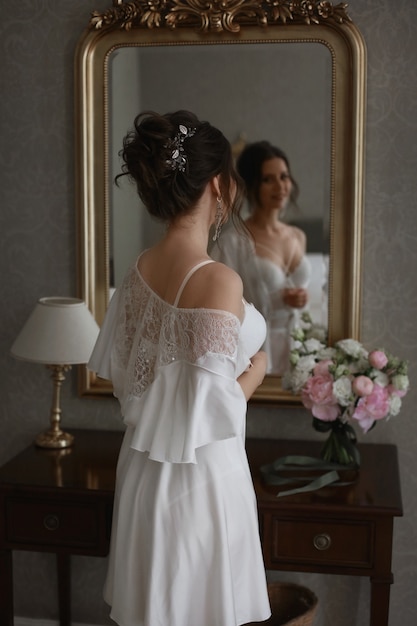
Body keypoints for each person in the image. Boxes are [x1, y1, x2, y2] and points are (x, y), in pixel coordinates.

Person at [88, 110, 271, 626]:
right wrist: (257, 368)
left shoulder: (139, 268)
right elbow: (215, 406)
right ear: (218, 183)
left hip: (144, 475)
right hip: (200, 480)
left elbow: (133, 381)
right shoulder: (219, 281)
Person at [212, 140, 311, 375]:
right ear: (252, 185)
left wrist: (301, 298)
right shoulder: (233, 242)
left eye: (284, 177)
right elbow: (219, 306)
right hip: (256, 351)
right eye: (268, 179)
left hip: (297, 344)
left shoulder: (298, 236)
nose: (280, 186)